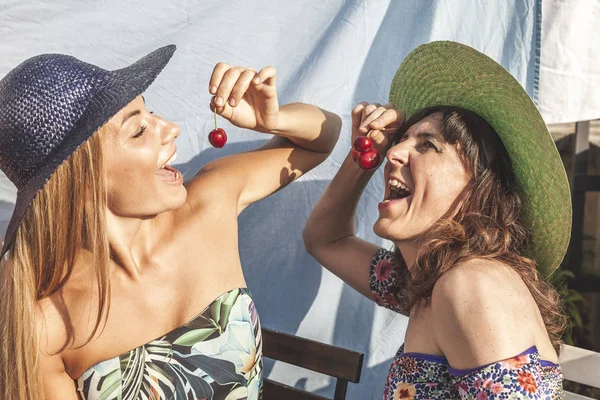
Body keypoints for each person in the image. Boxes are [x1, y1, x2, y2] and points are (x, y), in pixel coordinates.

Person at [0, 45, 341, 399]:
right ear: (80, 180)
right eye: (138, 130)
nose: (172, 128)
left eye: (153, 112)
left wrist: (274, 119)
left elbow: (323, 138)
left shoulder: (211, 202)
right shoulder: (46, 328)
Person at [303, 41, 570, 399]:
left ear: (479, 186)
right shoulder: (424, 283)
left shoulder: (469, 285)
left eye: (427, 145)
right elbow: (324, 239)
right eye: (400, 142)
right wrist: (364, 155)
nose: (393, 153)